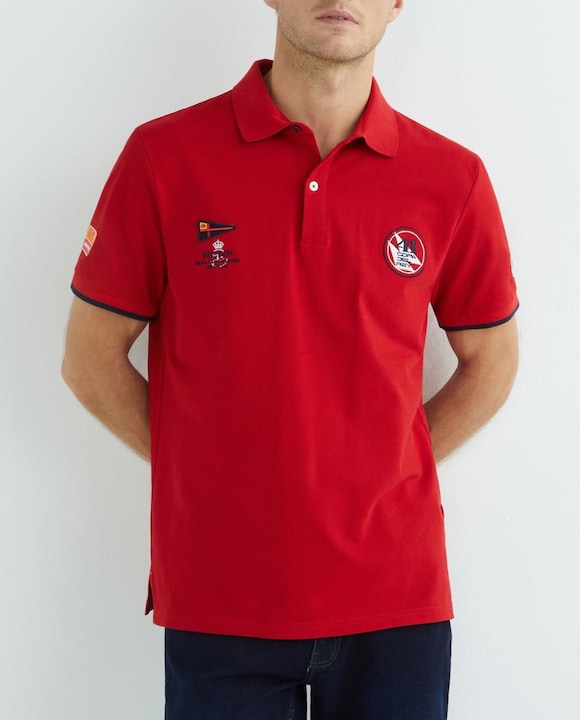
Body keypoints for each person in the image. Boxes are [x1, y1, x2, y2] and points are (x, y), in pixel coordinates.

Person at [61, 1, 519, 718]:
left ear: (397, 4)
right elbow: (89, 360)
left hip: (394, 599)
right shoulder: (164, 156)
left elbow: (491, 359)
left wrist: (383, 469)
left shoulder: (451, 177)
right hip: (222, 598)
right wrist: (213, 470)